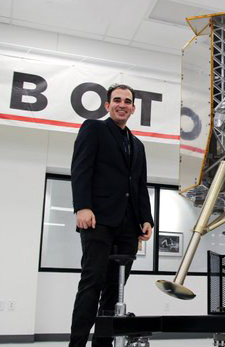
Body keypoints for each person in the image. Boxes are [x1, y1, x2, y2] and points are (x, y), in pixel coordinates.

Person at [69, 83, 153, 347]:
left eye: (127, 101)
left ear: (133, 108)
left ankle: (102, 344)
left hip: (128, 227)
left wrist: (147, 218)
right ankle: (77, 344)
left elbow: (139, 185)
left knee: (115, 289)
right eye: (117, 100)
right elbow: (80, 168)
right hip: (98, 220)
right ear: (107, 105)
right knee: (91, 283)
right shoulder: (93, 129)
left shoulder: (137, 145)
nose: (122, 105)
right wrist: (82, 206)